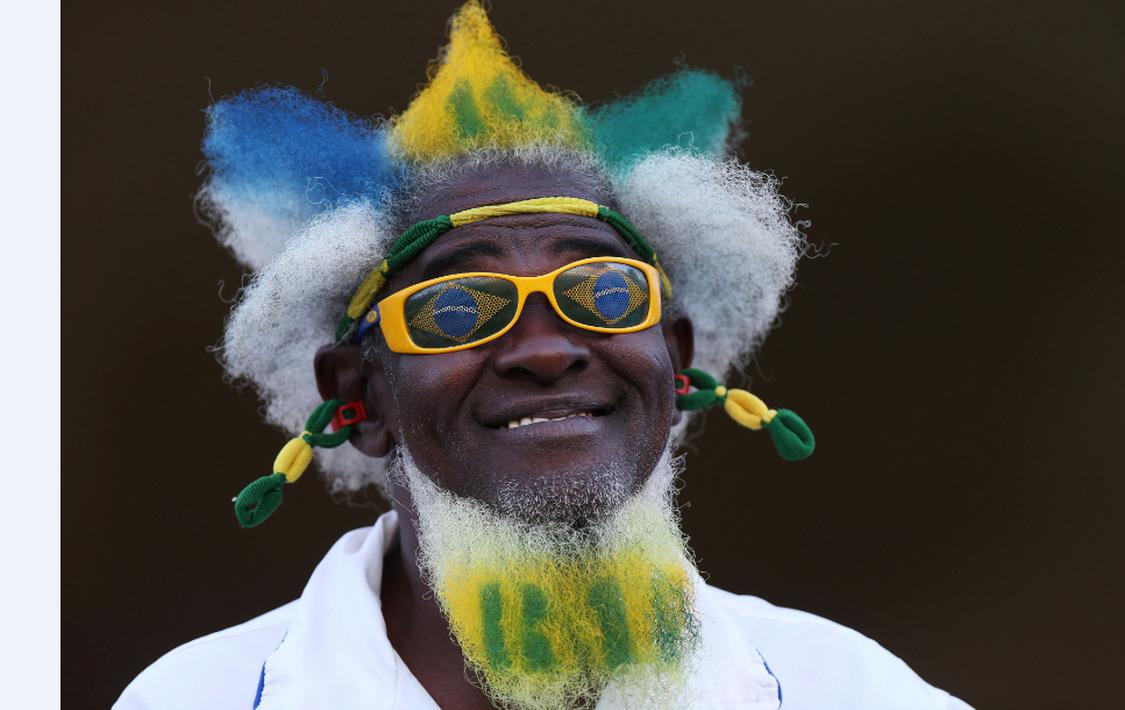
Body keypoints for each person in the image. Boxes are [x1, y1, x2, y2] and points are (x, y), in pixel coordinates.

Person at [116, 3, 972, 708]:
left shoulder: (854, 691)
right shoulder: (197, 696)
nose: (545, 348)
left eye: (601, 291)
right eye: (456, 306)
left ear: (675, 366)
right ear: (359, 401)